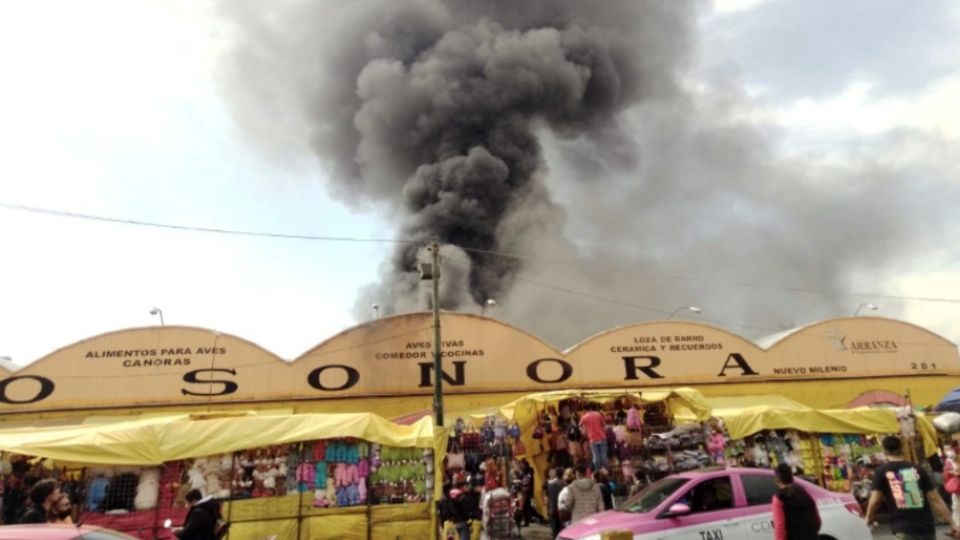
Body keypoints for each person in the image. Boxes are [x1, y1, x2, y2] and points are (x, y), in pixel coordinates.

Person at [864, 435, 960, 540]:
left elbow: (875, 500)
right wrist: (952, 523)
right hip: (926, 528)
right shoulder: (918, 469)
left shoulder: (882, 471)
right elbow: (935, 498)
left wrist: (868, 519)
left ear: (885, 451)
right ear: (902, 449)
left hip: (904, 529)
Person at [772, 463, 820, 540]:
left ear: (777, 480)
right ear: (792, 477)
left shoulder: (778, 498)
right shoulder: (803, 492)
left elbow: (780, 527)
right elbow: (816, 519)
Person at [579, 403, 608, 473]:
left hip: (592, 439)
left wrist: (584, 431)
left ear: (584, 410)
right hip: (602, 437)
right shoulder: (598, 414)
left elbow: (580, 426)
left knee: (596, 456)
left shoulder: (584, 417)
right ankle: (605, 471)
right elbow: (604, 425)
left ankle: (597, 472)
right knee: (604, 455)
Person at [544, 467, 567, 538]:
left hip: (552, 507)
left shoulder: (549, 483)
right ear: (562, 474)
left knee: (554, 528)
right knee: (561, 528)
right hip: (561, 508)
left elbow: (547, 495)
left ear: (556, 474)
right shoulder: (565, 483)